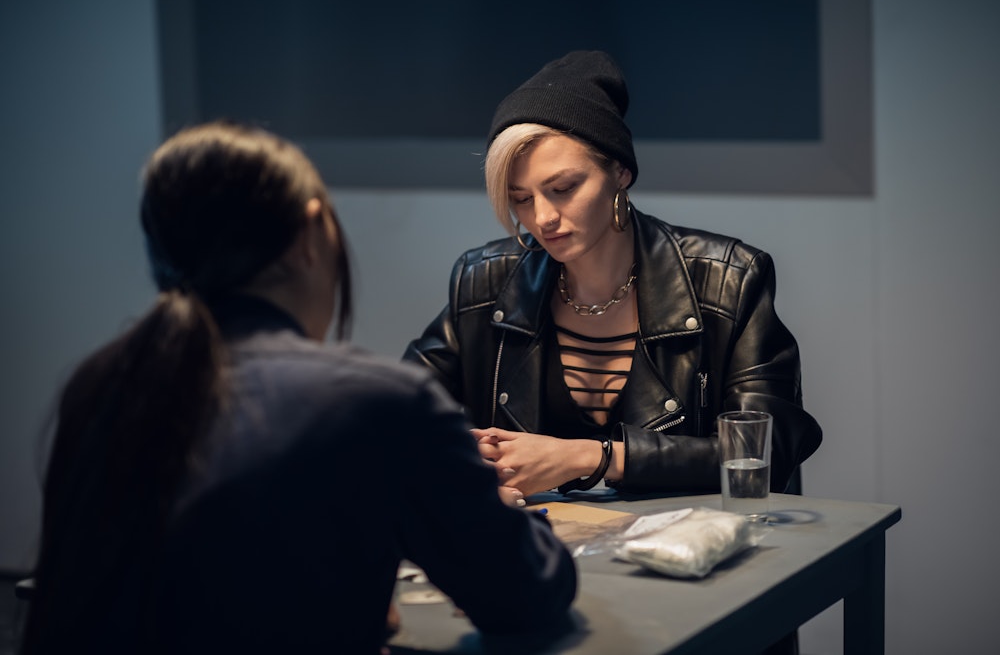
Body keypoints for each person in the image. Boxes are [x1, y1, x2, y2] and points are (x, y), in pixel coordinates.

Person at [20, 121, 577, 655]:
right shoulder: (376, 400)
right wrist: (500, 514)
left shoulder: (103, 380)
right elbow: (526, 595)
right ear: (311, 233)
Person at [404, 50, 822, 502]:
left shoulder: (728, 280)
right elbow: (394, 413)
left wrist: (595, 457)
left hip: (691, 554)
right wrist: (456, 457)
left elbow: (767, 451)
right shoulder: (484, 283)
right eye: (521, 198)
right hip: (545, 551)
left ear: (620, 172)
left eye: (563, 188)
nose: (542, 218)